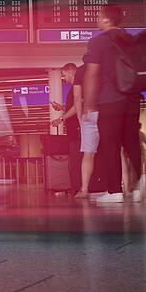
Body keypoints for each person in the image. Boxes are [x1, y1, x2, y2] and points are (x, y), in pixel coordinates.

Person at [83, 6, 144, 204]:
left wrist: (89, 102)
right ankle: (138, 186)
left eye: (98, 15)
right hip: (133, 99)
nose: (96, 18)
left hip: (110, 99)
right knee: (131, 141)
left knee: (110, 145)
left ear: (107, 20)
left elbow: (92, 73)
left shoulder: (98, 42)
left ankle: (114, 191)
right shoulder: (131, 38)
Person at [51, 63, 84, 195]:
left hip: (77, 129)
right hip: (73, 130)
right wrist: (62, 108)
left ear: (71, 73)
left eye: (64, 75)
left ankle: (79, 187)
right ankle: (76, 186)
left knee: (77, 158)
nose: (64, 78)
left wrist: (61, 118)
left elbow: (78, 107)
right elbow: (74, 107)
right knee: (75, 158)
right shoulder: (73, 90)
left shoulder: (78, 88)